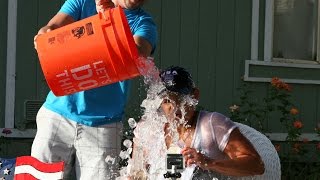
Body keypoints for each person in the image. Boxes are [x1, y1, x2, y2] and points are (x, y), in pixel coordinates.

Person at [32, 0, 157, 179]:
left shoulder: (143, 23)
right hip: (57, 113)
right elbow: (53, 27)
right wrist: (44, 35)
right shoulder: (82, 2)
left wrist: (110, 19)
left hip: (104, 124)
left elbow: (136, 57)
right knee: (38, 177)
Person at [131, 66, 265, 179]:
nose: (175, 106)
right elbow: (135, 174)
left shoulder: (212, 125)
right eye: (167, 101)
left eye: (181, 98)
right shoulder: (150, 130)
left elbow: (256, 165)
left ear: (194, 96)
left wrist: (208, 162)